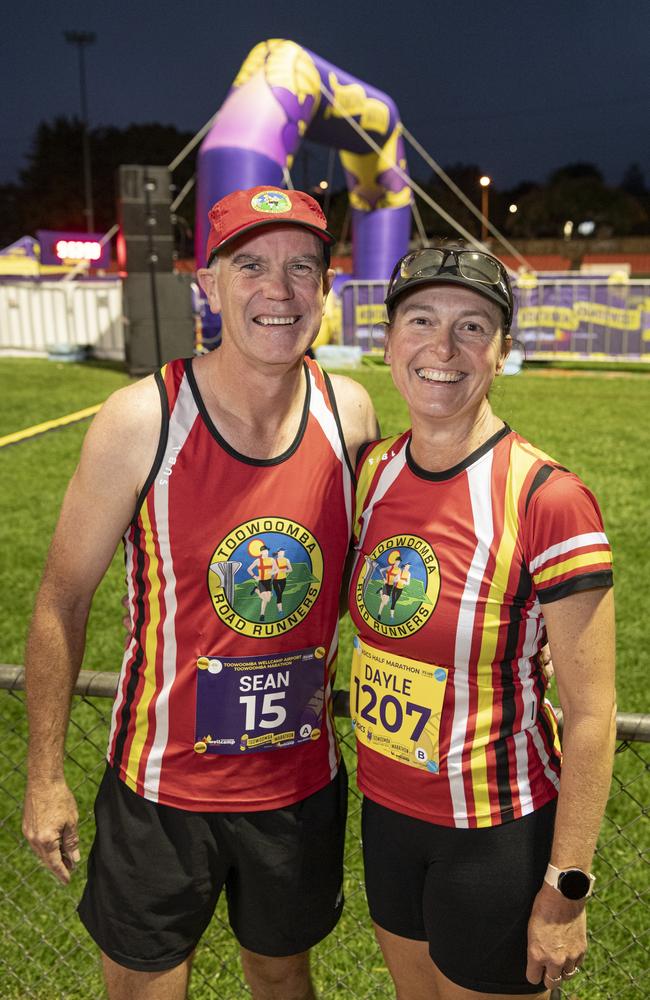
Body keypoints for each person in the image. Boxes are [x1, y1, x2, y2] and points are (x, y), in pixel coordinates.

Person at [22, 185, 377, 1000]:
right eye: (250, 264)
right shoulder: (139, 419)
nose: (278, 290)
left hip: (298, 789)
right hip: (160, 792)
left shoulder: (348, 413)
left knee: (284, 976)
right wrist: (45, 775)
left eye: (301, 268)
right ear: (208, 285)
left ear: (326, 289)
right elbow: (61, 599)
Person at [348, 244, 616, 998]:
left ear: (503, 352)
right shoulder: (373, 473)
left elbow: (593, 715)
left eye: (472, 327)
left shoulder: (549, 499)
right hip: (388, 817)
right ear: (390, 339)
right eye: (421, 320)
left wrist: (567, 888)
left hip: (493, 834)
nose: (443, 347)